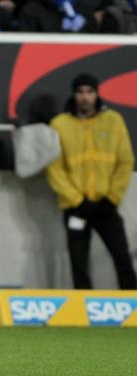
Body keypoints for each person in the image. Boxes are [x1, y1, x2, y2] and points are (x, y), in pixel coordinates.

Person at [46, 73, 136, 290]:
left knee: (122, 258)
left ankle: (133, 309)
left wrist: (112, 198)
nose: (85, 97)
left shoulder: (113, 121)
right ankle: (84, 315)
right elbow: (55, 168)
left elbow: (125, 161)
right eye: (80, 92)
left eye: (89, 92)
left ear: (96, 94)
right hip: (76, 208)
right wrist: (76, 200)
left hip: (106, 205)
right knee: (79, 264)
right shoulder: (59, 124)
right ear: (74, 95)